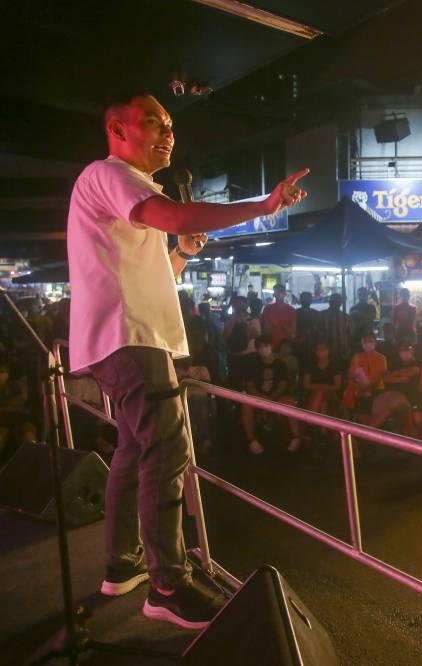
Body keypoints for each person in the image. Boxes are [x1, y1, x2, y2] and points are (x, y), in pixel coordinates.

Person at [67, 93, 308, 629]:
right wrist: (263, 207)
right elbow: (176, 215)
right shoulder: (111, 175)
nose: (167, 133)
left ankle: (122, 565)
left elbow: (148, 274)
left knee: (134, 451)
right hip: (130, 340)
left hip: (125, 337)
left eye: (171, 125)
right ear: (117, 128)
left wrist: (182, 254)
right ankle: (168, 584)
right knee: (169, 448)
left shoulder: (128, 191)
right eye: (153, 122)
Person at [242, 336, 303, 455]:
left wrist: (271, 398)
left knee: (289, 402)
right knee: (246, 405)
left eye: (266, 346)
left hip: (278, 396)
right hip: (258, 397)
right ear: (257, 349)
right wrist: (262, 397)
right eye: (260, 347)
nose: (263, 349)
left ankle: (297, 437)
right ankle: (251, 440)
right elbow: (249, 386)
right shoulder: (252, 364)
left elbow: (283, 384)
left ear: (271, 346)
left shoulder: (281, 364)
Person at [223, 295, 261, 394]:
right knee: (235, 385)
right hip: (234, 357)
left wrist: (245, 324)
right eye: (237, 304)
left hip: (249, 357)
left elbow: (257, 335)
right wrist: (233, 322)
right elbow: (225, 337)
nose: (240, 307)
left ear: (246, 305)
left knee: (250, 383)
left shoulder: (252, 320)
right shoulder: (229, 320)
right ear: (234, 305)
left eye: (242, 304)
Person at [260, 283, 297, 351]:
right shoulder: (267, 309)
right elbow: (266, 330)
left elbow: (293, 330)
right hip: (270, 345)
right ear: (274, 294)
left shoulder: (291, 310)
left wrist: (275, 327)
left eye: (281, 291)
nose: (279, 294)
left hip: (286, 347)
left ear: (284, 293)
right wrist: (284, 327)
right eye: (277, 291)